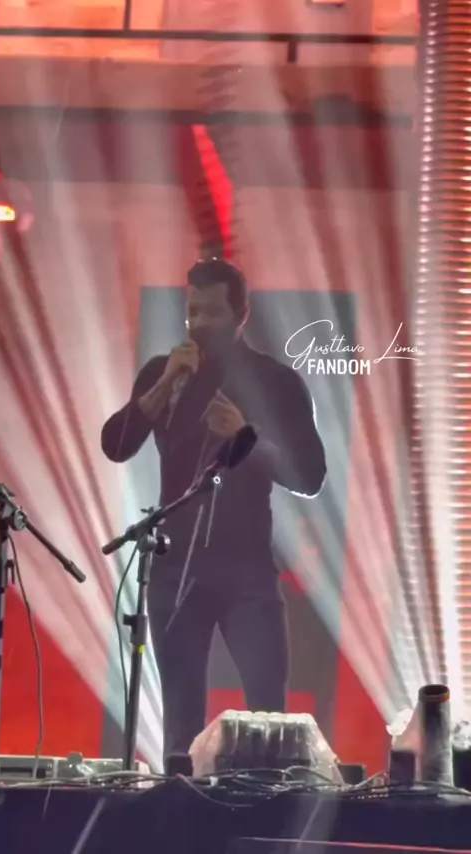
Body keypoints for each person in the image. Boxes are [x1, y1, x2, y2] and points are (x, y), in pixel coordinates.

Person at [101, 258, 326, 765]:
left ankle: (265, 803)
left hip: (247, 567)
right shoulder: (164, 373)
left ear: (241, 315)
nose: (199, 324)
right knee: (180, 723)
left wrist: (247, 437)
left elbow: (310, 476)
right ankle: (178, 806)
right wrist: (164, 384)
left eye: (212, 313)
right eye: (193, 312)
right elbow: (116, 444)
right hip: (175, 566)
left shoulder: (275, 381)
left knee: (268, 714)